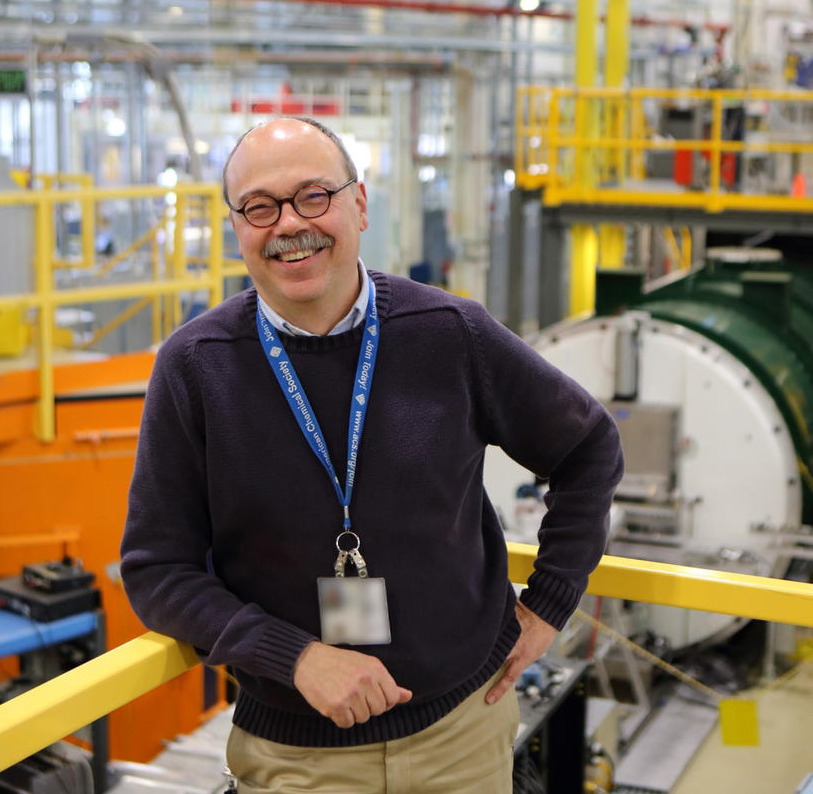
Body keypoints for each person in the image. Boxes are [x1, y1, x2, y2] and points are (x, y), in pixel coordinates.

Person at [121, 116, 624, 793]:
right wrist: (293, 656)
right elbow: (158, 569)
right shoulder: (196, 367)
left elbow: (588, 445)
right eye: (260, 207)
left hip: (463, 738)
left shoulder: (449, 334)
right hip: (297, 761)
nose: (289, 224)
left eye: (313, 195)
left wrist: (552, 599)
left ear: (358, 204)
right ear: (237, 228)